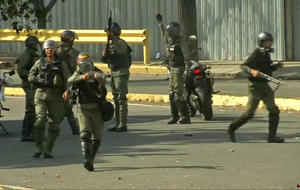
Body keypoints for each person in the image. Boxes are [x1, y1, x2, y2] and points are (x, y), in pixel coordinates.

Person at [227, 32, 285, 143]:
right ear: (261, 43)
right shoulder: (256, 53)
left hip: (265, 86)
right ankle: (232, 128)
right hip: (255, 87)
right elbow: (243, 66)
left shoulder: (266, 54)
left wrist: (277, 66)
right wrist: (251, 71)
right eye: (267, 42)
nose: (269, 44)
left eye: (270, 42)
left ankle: (272, 137)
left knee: (274, 110)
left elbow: (268, 70)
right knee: (249, 114)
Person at [28, 40, 70, 158]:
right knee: (40, 120)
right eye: (46, 49)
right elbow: (30, 74)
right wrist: (35, 79)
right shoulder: (39, 62)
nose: (49, 50)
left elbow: (68, 79)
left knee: (55, 126)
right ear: (44, 50)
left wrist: (67, 91)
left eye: (51, 48)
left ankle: (48, 149)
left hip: (56, 96)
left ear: (55, 49)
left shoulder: (61, 64)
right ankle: (38, 147)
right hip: (40, 94)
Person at [68, 53, 106, 171]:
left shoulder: (97, 71)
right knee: (84, 134)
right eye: (83, 64)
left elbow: (104, 83)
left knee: (97, 137)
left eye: (88, 63)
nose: (86, 66)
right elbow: (70, 80)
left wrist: (100, 81)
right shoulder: (78, 73)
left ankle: (91, 159)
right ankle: (86, 159)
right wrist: (82, 77)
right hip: (83, 108)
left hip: (97, 108)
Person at [155, 13, 191, 124]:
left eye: (171, 32)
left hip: (179, 69)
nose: (169, 33)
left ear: (176, 31)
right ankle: (174, 116)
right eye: (168, 32)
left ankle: (185, 116)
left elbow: (187, 56)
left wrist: (187, 69)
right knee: (171, 94)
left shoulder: (181, 42)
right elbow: (163, 32)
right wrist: (160, 23)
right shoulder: (168, 40)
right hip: (171, 69)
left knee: (178, 94)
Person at [102, 22, 132, 132]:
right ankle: (117, 122)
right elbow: (105, 59)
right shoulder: (110, 43)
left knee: (121, 98)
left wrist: (111, 51)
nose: (107, 34)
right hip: (114, 72)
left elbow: (121, 53)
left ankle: (123, 123)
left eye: (109, 32)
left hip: (121, 72)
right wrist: (105, 54)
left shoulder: (120, 42)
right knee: (115, 98)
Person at [17, 36, 40, 142]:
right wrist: (32, 76)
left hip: (34, 84)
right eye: (35, 44)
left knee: (34, 108)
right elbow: (21, 71)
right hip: (29, 85)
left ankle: (32, 132)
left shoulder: (34, 55)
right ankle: (27, 133)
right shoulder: (27, 55)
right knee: (31, 108)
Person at [56, 30, 80, 135]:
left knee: (66, 107)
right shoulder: (74, 53)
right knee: (66, 107)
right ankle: (54, 127)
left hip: (56, 81)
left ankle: (74, 129)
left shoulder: (55, 50)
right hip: (69, 81)